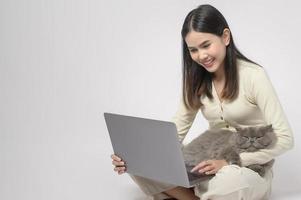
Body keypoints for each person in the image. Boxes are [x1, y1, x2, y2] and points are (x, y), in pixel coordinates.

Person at [110, 4, 294, 200]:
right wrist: (136, 156)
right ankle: (198, 195)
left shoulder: (254, 76)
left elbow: (285, 139)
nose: (201, 56)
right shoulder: (196, 81)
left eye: (206, 45)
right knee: (139, 163)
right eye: (193, 50)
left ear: (225, 37)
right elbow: (175, 131)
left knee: (230, 182)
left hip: (247, 170)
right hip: (208, 162)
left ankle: (187, 194)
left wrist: (230, 162)